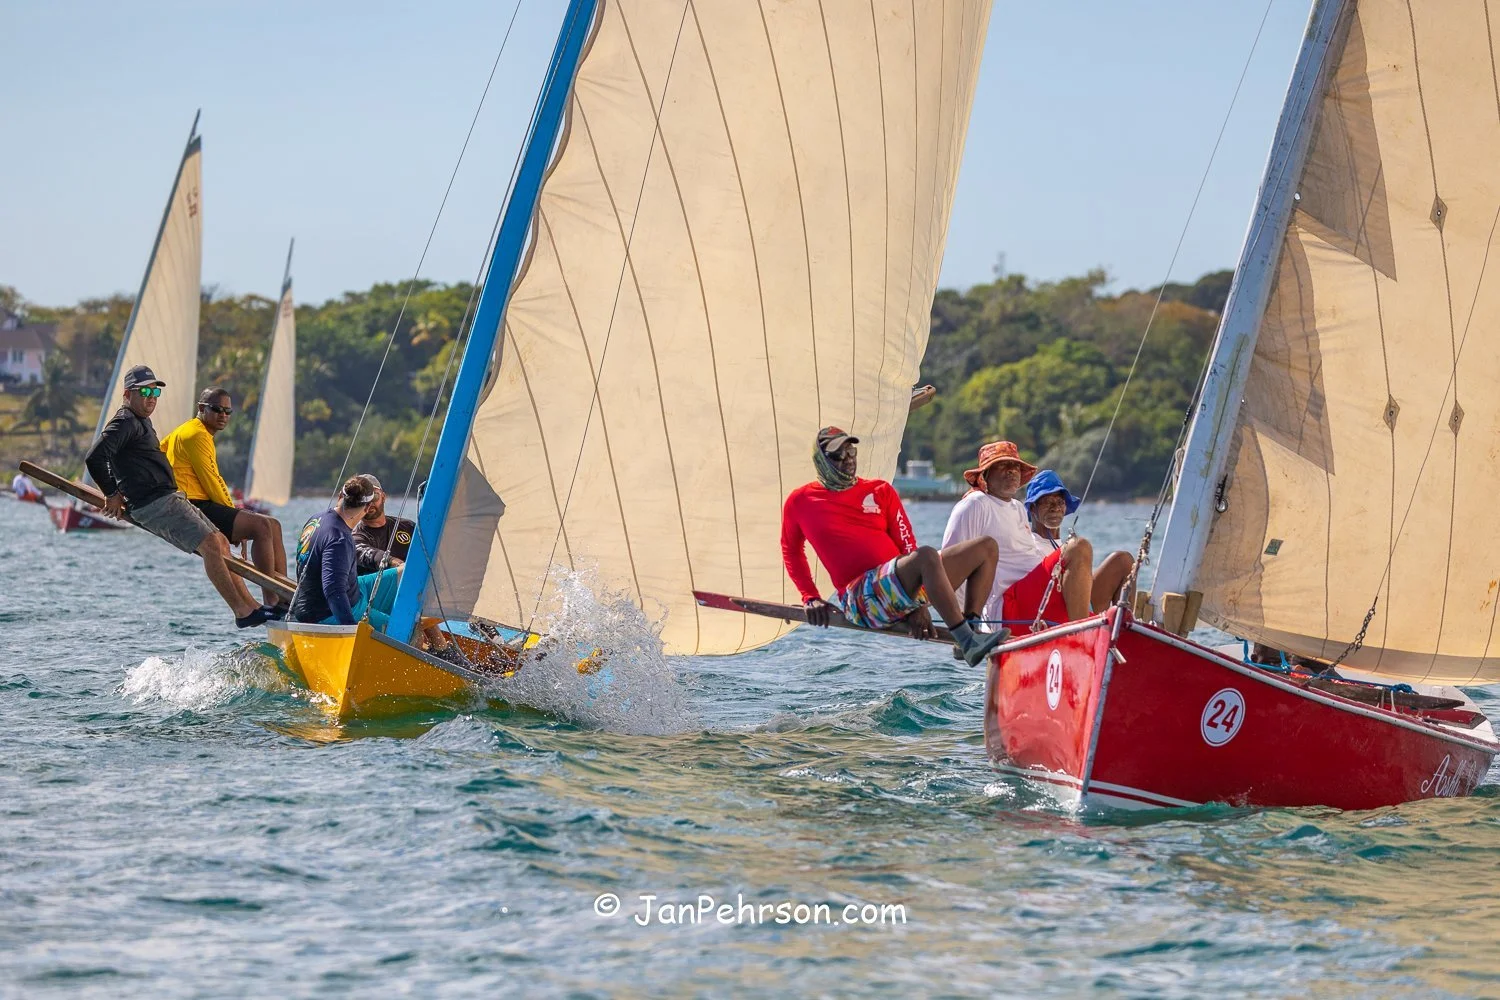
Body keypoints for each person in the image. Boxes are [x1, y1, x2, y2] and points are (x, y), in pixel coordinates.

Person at [780, 426, 1008, 667]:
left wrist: (915, 604)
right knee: (927, 556)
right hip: (860, 599)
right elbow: (791, 550)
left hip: (898, 588)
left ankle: (967, 631)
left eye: (851, 451)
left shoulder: (880, 490)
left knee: (986, 548)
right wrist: (810, 597)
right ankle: (968, 641)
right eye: (838, 455)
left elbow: (907, 545)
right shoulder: (801, 501)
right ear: (822, 461)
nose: (847, 459)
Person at [84, 365, 272, 628]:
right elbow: (95, 457)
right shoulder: (124, 421)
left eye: (155, 391)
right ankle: (241, 611)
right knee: (210, 545)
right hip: (154, 502)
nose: (151, 397)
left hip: (169, 496)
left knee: (220, 540)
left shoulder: (141, 421)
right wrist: (112, 494)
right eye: (145, 391)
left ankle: (252, 607)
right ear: (128, 394)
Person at [290, 474, 463, 663]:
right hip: (331, 611)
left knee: (407, 575)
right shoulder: (339, 537)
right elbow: (333, 590)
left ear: (341, 496)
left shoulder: (317, 519)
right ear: (365, 508)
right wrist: (350, 630)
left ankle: (443, 651)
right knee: (411, 631)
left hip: (352, 590)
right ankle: (413, 666)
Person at [160, 386, 288, 610]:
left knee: (273, 525)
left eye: (228, 412)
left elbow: (159, 449)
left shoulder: (186, 430)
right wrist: (237, 517)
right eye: (217, 409)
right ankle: (273, 600)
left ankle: (284, 594)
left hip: (198, 501)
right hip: (194, 505)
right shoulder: (197, 434)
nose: (223, 416)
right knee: (262, 527)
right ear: (201, 408)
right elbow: (212, 480)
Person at [939, 441, 1043, 628]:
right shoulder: (976, 504)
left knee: (1112, 561)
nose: (1012, 471)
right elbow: (953, 566)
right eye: (1003, 466)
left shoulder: (1018, 508)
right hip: (1008, 603)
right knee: (1077, 550)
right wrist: (964, 625)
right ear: (985, 475)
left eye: (1016, 467)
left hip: (1037, 596)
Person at [1017, 469, 1134, 626]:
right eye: (1047, 502)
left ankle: (1126, 633)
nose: (1055, 508)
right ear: (1032, 509)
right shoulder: (1026, 543)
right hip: (1042, 609)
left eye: (1060, 502)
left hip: (1071, 603)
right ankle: (1081, 632)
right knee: (1079, 546)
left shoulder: (1063, 546)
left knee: (1123, 560)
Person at [353, 476, 415, 573]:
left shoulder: (408, 526)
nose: (369, 503)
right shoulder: (354, 537)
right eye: (363, 498)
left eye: (374, 496)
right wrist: (395, 563)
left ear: (383, 497)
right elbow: (368, 554)